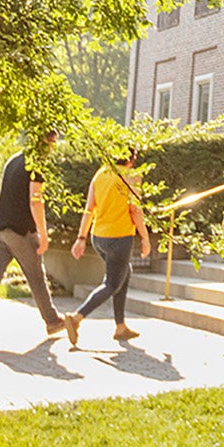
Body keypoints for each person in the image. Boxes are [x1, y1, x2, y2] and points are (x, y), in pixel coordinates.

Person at [0, 128, 67, 345]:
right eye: (52, 142)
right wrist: (42, 233)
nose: (53, 148)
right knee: (36, 276)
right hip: (18, 233)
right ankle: (52, 321)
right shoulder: (36, 164)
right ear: (44, 142)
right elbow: (36, 201)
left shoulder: (13, 161)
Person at [65, 144, 152, 347]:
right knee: (111, 284)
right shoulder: (131, 177)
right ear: (131, 159)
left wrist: (81, 238)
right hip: (119, 238)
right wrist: (145, 238)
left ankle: (120, 327)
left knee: (125, 272)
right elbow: (135, 211)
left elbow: (89, 209)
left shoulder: (100, 174)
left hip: (98, 238)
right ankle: (76, 319)